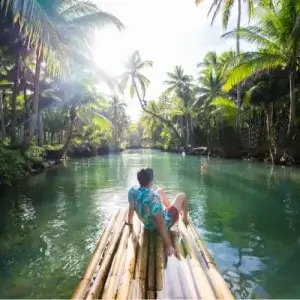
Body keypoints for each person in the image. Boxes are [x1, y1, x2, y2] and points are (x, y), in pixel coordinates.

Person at [126, 167, 188, 256]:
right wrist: (168, 245)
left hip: (147, 224)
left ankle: (171, 207)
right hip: (160, 225)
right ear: (151, 181)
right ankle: (184, 219)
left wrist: (129, 223)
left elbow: (131, 209)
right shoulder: (153, 197)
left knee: (159, 191)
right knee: (182, 195)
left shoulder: (132, 192)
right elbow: (161, 223)